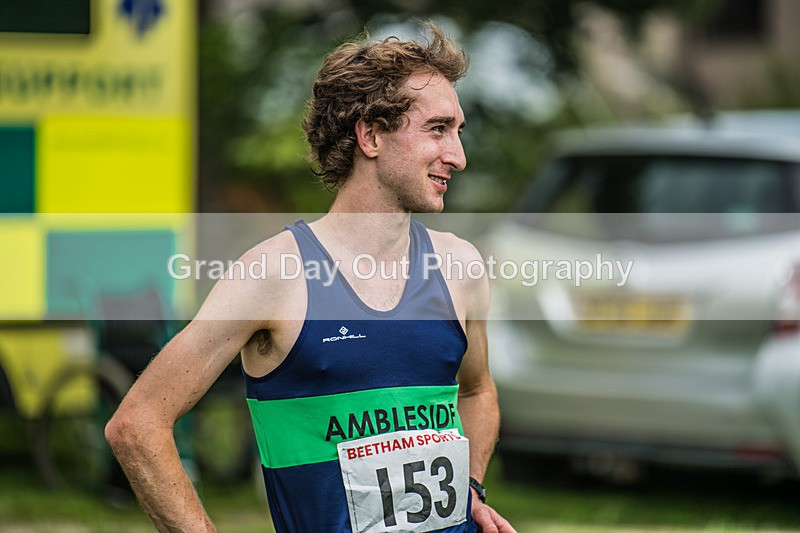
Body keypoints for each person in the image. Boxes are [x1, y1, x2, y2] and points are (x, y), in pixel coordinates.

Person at [106, 21, 515, 533]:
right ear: (370, 135)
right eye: (437, 129)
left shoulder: (461, 268)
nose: (458, 155)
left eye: (458, 131)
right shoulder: (274, 273)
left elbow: (477, 392)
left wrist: (471, 490)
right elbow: (138, 424)